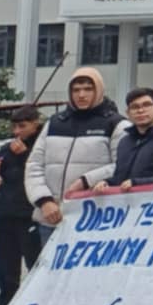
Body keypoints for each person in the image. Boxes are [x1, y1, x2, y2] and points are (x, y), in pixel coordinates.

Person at [27, 67, 127, 233]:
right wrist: (44, 201)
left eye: (88, 89)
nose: (81, 95)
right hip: (51, 218)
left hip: (93, 220)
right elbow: (34, 165)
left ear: (99, 89)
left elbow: (123, 165)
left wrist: (86, 180)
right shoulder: (54, 123)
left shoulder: (116, 124)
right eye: (76, 90)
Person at [0, 106, 44, 305]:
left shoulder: (40, 147)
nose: (17, 131)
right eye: (15, 126)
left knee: (35, 267)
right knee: (6, 270)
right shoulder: (8, 149)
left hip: (29, 214)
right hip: (5, 214)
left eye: (23, 126)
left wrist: (24, 156)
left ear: (35, 124)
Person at [93, 88, 153, 191]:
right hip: (129, 204)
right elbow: (121, 177)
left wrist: (138, 183)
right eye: (134, 107)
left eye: (147, 105)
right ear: (128, 113)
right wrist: (107, 182)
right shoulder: (124, 142)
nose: (140, 110)